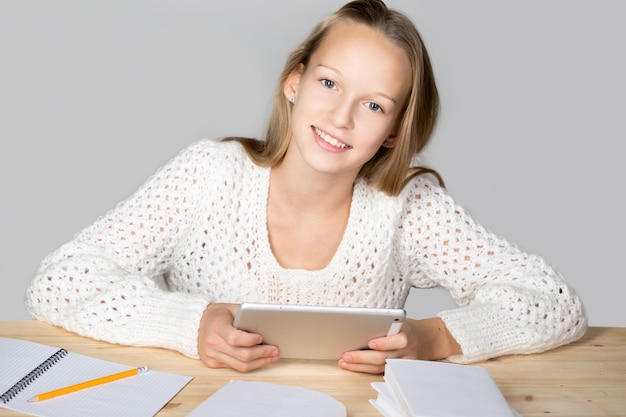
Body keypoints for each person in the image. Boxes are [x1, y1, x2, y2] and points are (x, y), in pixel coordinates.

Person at [25, 0, 586, 375]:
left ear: (394, 132)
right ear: (294, 82)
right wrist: (188, 325)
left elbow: (555, 306)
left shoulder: (408, 207)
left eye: (373, 105)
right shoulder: (208, 175)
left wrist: (436, 339)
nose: (340, 118)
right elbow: (59, 282)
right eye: (328, 83)